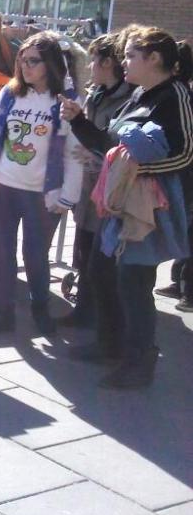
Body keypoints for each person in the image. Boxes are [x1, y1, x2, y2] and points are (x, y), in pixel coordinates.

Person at [62, 26, 193, 389]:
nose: (125, 62)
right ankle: (109, 343)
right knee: (101, 270)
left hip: (150, 208)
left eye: (132, 55)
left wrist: (135, 169)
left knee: (134, 282)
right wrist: (78, 121)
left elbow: (186, 154)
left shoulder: (176, 95)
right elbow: (110, 142)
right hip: (120, 200)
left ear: (155, 59)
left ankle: (139, 361)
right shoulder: (139, 93)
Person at [0, 31, 84, 336]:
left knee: (35, 257)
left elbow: (74, 153)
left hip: (42, 196)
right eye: (22, 60)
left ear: (51, 64)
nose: (25, 66)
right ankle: (2, 313)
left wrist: (67, 196)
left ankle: (41, 310)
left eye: (33, 61)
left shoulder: (68, 102)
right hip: (2, 189)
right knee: (2, 254)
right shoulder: (10, 93)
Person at [58, 33, 135, 328]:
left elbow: (118, 145)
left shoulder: (126, 99)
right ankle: (84, 310)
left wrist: (96, 155)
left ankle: (99, 320)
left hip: (109, 189)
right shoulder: (97, 94)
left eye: (94, 60)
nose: (90, 66)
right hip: (89, 186)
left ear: (107, 63)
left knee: (100, 258)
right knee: (83, 250)